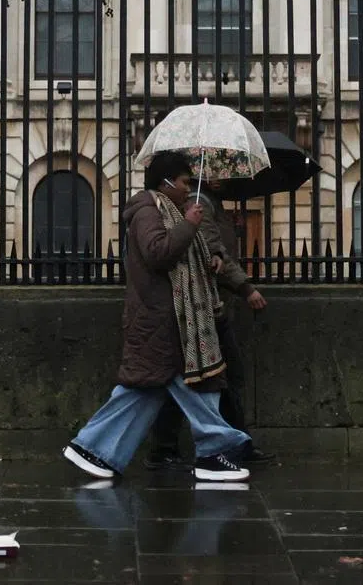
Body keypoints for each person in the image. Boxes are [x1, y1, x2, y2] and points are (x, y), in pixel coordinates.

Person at [63, 151, 253, 482]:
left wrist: (214, 261)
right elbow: (158, 253)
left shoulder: (174, 212)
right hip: (162, 320)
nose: (187, 188)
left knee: (151, 389)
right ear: (165, 182)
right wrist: (190, 225)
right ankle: (214, 449)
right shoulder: (147, 212)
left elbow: (189, 255)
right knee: (184, 386)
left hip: (178, 320)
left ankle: (94, 449)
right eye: (183, 182)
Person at [145, 179, 275, 470]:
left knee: (193, 378)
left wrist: (227, 229)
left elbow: (213, 247)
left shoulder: (208, 201)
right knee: (215, 378)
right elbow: (207, 250)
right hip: (203, 306)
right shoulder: (198, 199)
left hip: (205, 303)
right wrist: (246, 288)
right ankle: (229, 444)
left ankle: (173, 447)